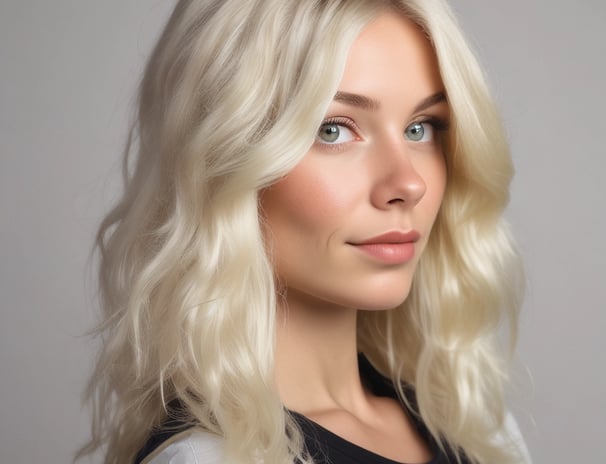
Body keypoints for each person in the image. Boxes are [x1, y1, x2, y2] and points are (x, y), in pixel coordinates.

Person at [80, 0, 530, 463]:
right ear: (224, 160)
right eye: (333, 130)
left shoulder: (481, 432)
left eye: (421, 128)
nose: (408, 183)